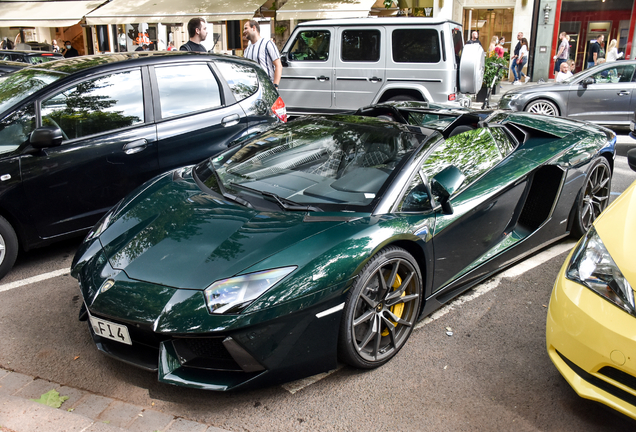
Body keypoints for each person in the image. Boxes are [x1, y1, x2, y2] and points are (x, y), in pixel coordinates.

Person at [243, 20, 282, 88]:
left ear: (254, 28)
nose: (244, 31)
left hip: (267, 86)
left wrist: (275, 86)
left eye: (246, 28)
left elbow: (278, 65)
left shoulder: (267, 44)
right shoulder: (247, 50)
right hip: (253, 88)